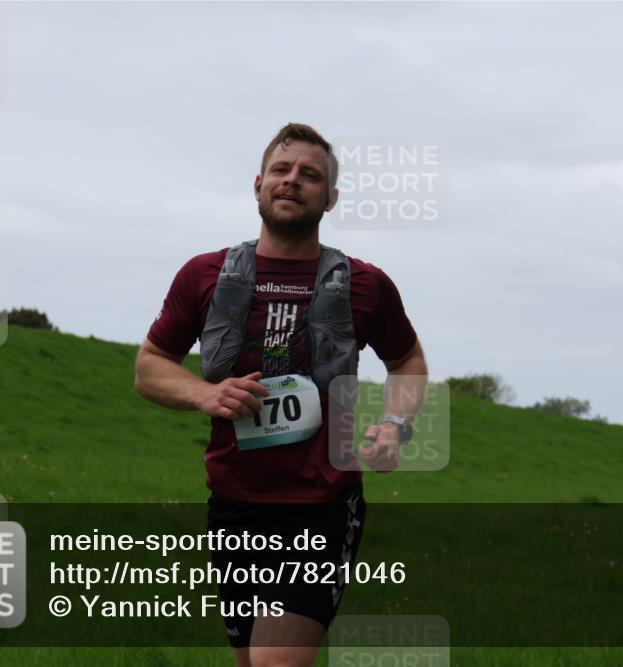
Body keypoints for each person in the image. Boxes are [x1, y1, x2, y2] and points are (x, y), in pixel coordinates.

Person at [134, 122, 427, 667]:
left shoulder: (366, 284)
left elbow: (407, 362)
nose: (293, 181)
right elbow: (150, 366)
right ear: (258, 185)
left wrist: (395, 426)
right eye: (282, 170)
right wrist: (205, 394)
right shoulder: (204, 274)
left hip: (321, 505)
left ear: (331, 198)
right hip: (234, 503)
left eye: (310, 175)